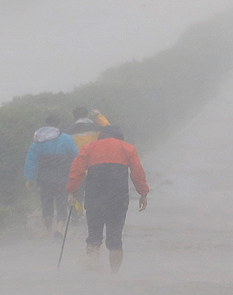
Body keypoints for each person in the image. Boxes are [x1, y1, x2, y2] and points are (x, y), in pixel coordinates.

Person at [66, 124, 148, 273]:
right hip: (118, 198)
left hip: (94, 197)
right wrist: (143, 193)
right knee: (115, 239)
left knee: (94, 237)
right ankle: (113, 276)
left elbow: (77, 171)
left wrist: (71, 191)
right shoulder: (127, 148)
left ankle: (93, 272)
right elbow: (137, 173)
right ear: (120, 136)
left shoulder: (89, 148)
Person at [23, 114, 79, 237]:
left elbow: (31, 160)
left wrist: (29, 178)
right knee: (61, 204)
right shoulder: (66, 139)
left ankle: (48, 232)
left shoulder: (37, 142)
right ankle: (59, 229)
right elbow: (76, 156)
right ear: (58, 125)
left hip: (44, 179)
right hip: (62, 178)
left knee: (46, 205)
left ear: (46, 124)